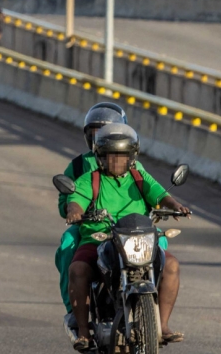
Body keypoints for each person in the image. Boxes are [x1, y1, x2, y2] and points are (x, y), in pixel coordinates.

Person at [66, 123, 190, 351]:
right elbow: (76, 199)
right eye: (111, 156)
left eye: (122, 157)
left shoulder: (139, 178)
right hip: (100, 239)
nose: (116, 161)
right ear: (100, 157)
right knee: (78, 269)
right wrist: (75, 210)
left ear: (131, 157)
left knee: (171, 264)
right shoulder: (89, 180)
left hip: (137, 239)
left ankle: (161, 326)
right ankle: (84, 332)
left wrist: (176, 206)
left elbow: (161, 195)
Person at [56, 103, 152, 330]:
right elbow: (65, 204)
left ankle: (156, 314)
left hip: (131, 228)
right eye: (95, 133)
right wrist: (77, 212)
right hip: (91, 227)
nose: (102, 137)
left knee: (161, 245)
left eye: (107, 131)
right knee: (69, 244)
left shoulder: (134, 166)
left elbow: (153, 193)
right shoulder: (79, 165)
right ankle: (74, 308)